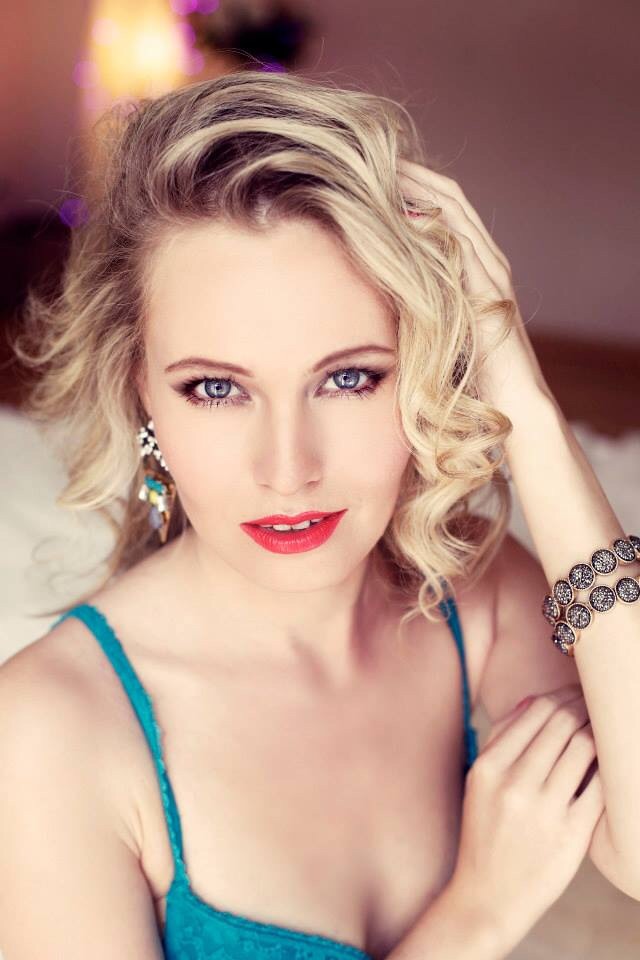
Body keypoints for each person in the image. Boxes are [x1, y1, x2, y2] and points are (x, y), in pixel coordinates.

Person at [0, 71, 604, 960]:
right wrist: (477, 915)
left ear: (424, 371)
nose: (288, 470)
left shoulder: (474, 596)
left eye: (349, 377)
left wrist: (526, 398)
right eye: (216, 389)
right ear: (140, 393)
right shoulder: (48, 730)